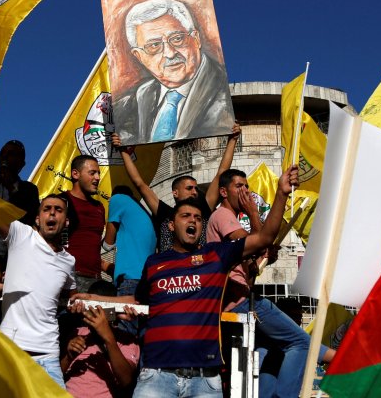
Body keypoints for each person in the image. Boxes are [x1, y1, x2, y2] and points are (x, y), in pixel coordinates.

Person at [79, 165, 299, 398]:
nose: (192, 220)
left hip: (205, 382)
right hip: (155, 377)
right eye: (185, 216)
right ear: (172, 226)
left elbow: (264, 237)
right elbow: (137, 300)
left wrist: (281, 194)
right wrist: (94, 298)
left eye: (197, 218)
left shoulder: (217, 256)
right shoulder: (154, 263)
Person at [207, 169, 335, 398]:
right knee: (301, 343)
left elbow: (251, 260)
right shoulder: (222, 216)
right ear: (224, 192)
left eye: (247, 186)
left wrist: (260, 259)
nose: (245, 191)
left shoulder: (230, 221)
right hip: (240, 302)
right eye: (239, 186)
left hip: (238, 298)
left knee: (271, 350)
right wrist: (254, 214)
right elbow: (256, 241)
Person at [113, 0, 235, 144]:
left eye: (177, 38)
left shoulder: (222, 93)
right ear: (139, 56)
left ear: (196, 39)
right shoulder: (132, 102)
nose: (170, 53)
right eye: (154, 45)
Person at [112, 124, 240, 253]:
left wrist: (233, 140)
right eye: (189, 188)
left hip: (199, 269)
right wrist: (123, 150)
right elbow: (139, 183)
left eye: (196, 188)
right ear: (175, 192)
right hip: (170, 270)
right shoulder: (164, 213)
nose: (195, 192)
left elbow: (221, 172)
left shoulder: (204, 209)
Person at [0, 195, 76, 388]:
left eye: (58, 210)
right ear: (37, 219)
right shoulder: (21, 234)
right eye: (46, 209)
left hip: (48, 356)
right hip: (11, 351)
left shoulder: (69, 261)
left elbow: (74, 297)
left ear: (66, 222)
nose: (52, 213)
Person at [61, 281, 139, 398]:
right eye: (89, 308)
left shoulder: (126, 340)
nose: (93, 313)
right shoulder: (78, 332)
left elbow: (126, 381)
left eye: (100, 309)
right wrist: (68, 356)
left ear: (112, 310)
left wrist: (107, 337)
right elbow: (55, 374)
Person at [63, 155, 110, 293]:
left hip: (96, 280)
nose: (97, 178)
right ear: (75, 174)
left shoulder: (99, 207)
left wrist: (108, 267)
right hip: (70, 278)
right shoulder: (61, 202)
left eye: (99, 173)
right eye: (92, 173)